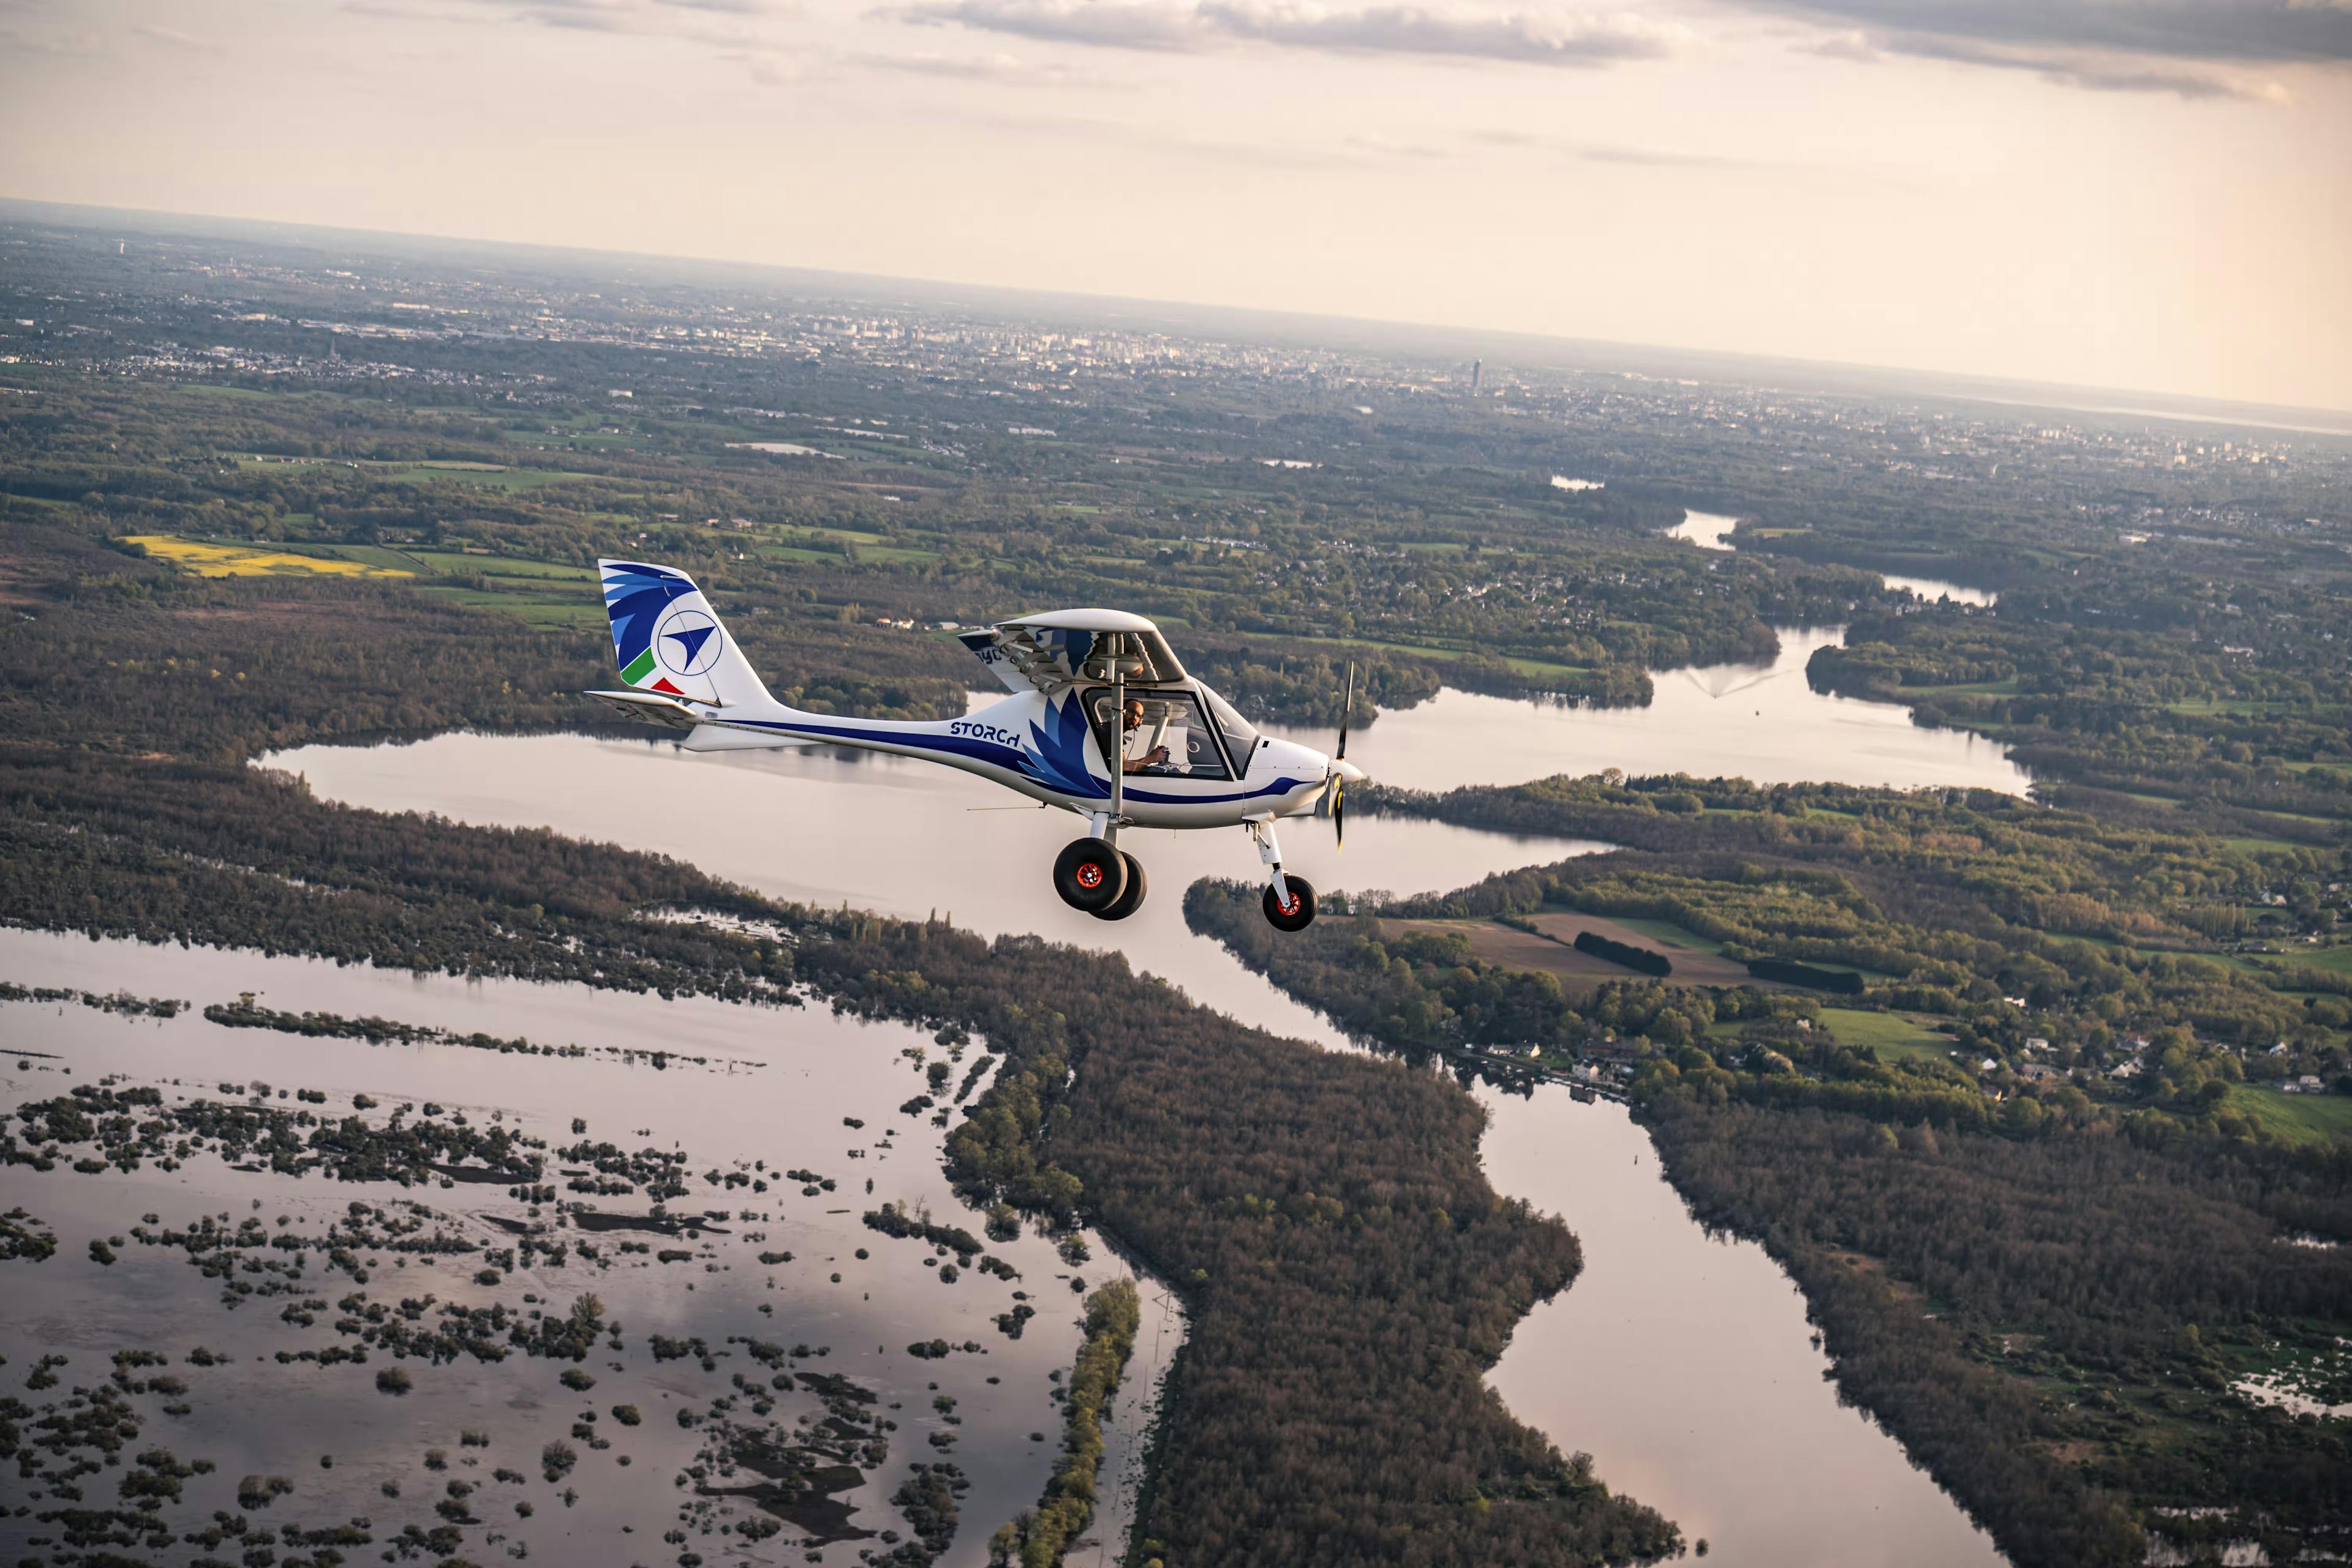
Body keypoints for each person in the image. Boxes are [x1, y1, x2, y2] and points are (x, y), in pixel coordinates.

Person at [1120, 698, 1169, 773]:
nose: (1135, 717)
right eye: (1131, 712)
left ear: (1140, 722)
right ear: (1121, 712)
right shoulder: (1109, 734)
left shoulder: (1115, 735)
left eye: (1138, 715)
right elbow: (1121, 768)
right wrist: (1151, 758)